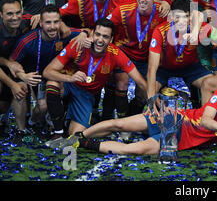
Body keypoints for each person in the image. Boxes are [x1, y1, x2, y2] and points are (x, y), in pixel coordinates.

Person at [53, 76, 217, 155]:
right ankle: (77, 138)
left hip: (179, 141)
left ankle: (87, 145)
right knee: (119, 124)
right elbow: (206, 120)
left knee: (135, 150)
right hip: (175, 118)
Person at [42, 18, 148, 147]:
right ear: (92, 34)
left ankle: (65, 117)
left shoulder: (116, 54)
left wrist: (154, 102)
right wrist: (70, 78)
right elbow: (47, 72)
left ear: (111, 39)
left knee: (77, 135)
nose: (100, 40)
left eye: (105, 36)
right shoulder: (78, 45)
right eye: (97, 34)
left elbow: (140, 82)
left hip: (85, 95)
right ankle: (58, 132)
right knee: (52, 83)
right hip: (69, 85)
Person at [9, 5, 85, 142]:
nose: (52, 27)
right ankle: (22, 129)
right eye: (48, 22)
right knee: (21, 91)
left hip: (50, 76)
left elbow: (87, 32)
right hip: (30, 75)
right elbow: (11, 62)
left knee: (44, 105)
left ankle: (38, 122)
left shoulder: (65, 33)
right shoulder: (27, 41)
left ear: (60, 22)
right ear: (40, 23)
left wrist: (83, 34)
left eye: (56, 22)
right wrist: (22, 76)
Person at [108, 0, 167, 117]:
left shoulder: (163, 13)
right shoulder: (123, 11)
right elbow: (105, 26)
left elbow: (189, 12)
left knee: (143, 95)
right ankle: (122, 119)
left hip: (148, 59)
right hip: (125, 55)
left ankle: (133, 112)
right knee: (122, 84)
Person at [146, 0, 215, 110]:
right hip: (164, 69)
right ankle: (157, 118)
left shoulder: (197, 27)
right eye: (178, 17)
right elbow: (151, 69)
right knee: (149, 90)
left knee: (214, 87)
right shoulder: (160, 31)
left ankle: (203, 119)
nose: (182, 21)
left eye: (186, 16)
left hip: (191, 68)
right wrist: (151, 102)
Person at [0, 0, 33, 137]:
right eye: (9, 14)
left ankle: (21, 131)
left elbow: (49, 18)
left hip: (18, 68)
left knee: (21, 88)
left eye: (17, 12)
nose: (15, 17)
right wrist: (8, 64)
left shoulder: (27, 21)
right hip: (3, 68)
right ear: (1, 15)